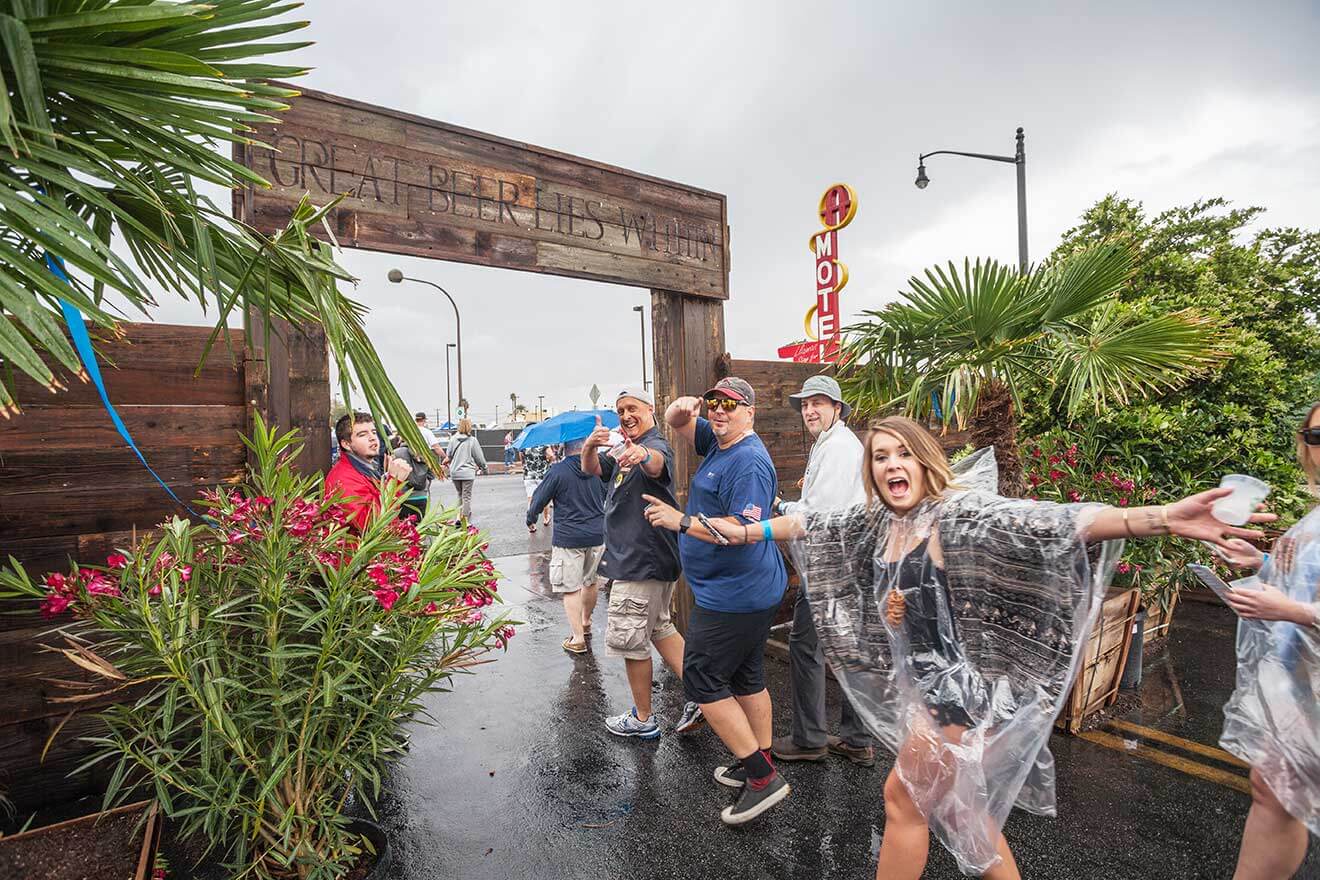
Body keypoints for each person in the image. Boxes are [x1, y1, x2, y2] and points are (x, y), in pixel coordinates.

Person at [690, 415, 1270, 876]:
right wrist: (746, 531)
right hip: (923, 686)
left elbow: (1055, 521)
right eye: (880, 456)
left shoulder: (958, 516)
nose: (892, 463)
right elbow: (813, 525)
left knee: (904, 801)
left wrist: (1164, 517)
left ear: (926, 461)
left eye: (902, 453)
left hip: (958, 693)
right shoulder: (883, 521)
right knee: (963, 811)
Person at [641, 377, 790, 826]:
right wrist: (685, 406)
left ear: (751, 411)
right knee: (746, 675)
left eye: (730, 404)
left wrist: (680, 521)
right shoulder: (720, 442)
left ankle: (764, 779)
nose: (719, 411)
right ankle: (756, 758)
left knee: (703, 679)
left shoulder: (748, 462)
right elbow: (673, 421)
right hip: (738, 591)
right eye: (714, 403)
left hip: (736, 595)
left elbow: (740, 532)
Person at [1214, 403, 1320, 880]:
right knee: (1276, 787)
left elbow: (1302, 601)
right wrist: (1259, 562)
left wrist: (1292, 612)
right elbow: (1306, 580)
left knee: (1282, 790)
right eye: (1316, 437)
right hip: (1301, 678)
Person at [581, 388, 703, 740]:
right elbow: (592, 469)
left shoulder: (653, 445)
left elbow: (656, 461)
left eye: (632, 407)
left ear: (651, 408)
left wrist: (641, 453)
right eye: (620, 410)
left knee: (631, 641)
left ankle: (643, 718)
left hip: (640, 563)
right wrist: (591, 445)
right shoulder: (622, 450)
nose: (625, 415)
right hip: (644, 560)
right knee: (660, 629)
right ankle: (702, 695)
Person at [770, 375, 874, 767]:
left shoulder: (838, 449)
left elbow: (817, 518)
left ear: (836, 408)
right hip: (848, 564)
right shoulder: (833, 444)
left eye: (819, 403)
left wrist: (780, 507)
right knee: (848, 650)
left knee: (805, 646)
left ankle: (810, 738)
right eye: (805, 404)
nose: (810, 410)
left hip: (833, 566)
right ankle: (856, 739)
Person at [527, 437, 607, 653]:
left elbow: (539, 498)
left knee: (570, 588)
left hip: (569, 537)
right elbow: (607, 494)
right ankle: (586, 622)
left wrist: (531, 517)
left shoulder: (558, 471)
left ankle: (578, 638)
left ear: (565, 448)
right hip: (597, 533)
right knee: (590, 582)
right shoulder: (597, 468)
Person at [324, 412, 412, 531]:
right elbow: (372, 525)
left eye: (374, 432)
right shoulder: (343, 479)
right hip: (357, 548)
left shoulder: (364, 469)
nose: (372, 438)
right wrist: (394, 482)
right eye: (362, 435)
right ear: (346, 444)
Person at [446, 418, 486, 523]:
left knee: (459, 494)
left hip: (455, 471)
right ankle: (465, 520)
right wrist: (484, 467)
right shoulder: (472, 440)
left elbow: (449, 454)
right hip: (467, 472)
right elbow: (479, 457)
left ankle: (458, 517)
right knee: (466, 496)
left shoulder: (453, 439)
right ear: (469, 427)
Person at [523, 445, 553, 532]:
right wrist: (548, 461)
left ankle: (531, 523)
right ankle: (546, 517)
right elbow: (551, 455)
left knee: (530, 499)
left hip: (529, 475)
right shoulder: (544, 444)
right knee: (544, 498)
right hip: (542, 475)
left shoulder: (525, 445)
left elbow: (522, 458)